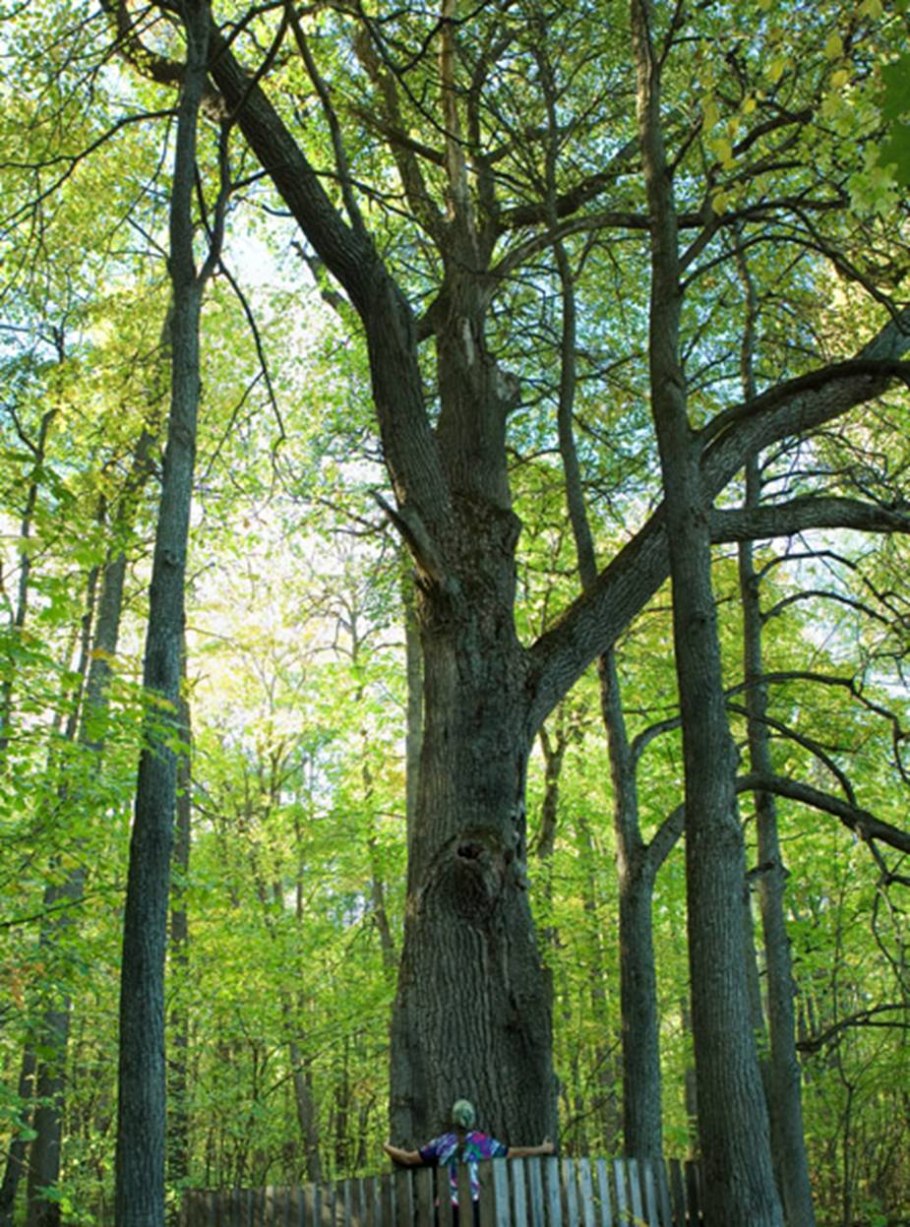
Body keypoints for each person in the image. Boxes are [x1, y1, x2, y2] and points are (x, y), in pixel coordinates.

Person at [383, 1098, 555, 1223]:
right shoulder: (482, 1142)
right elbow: (512, 1153)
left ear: (453, 1119)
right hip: (472, 1206)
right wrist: (542, 1149)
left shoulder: (442, 1143)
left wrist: (387, 1147)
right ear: (472, 1119)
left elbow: (408, 1158)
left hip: (444, 1207)